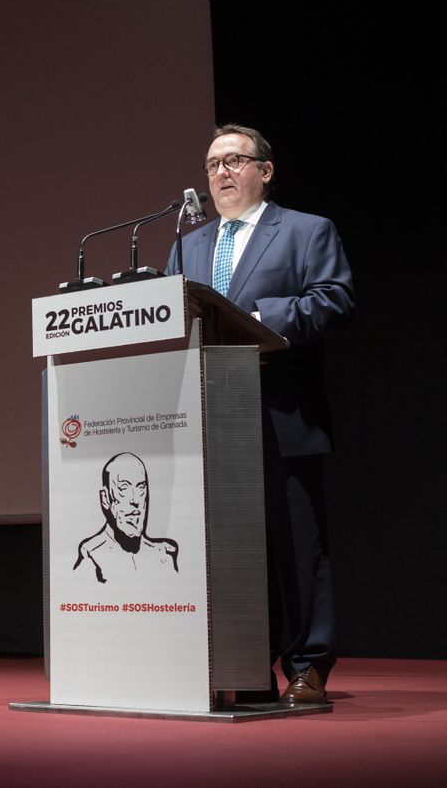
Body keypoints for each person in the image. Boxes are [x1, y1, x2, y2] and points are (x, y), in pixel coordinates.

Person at [165, 123, 354, 707]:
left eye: (234, 160)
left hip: (283, 413)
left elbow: (333, 297)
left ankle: (308, 665)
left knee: (297, 546)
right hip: (211, 418)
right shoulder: (187, 246)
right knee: (230, 550)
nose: (220, 172)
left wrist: (256, 318)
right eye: (212, 164)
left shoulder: (305, 230)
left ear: (264, 171)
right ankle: (245, 666)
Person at [73, 451, 179, 582]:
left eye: (141, 487)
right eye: (124, 488)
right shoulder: (91, 555)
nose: (135, 500)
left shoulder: (164, 555)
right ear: (105, 498)